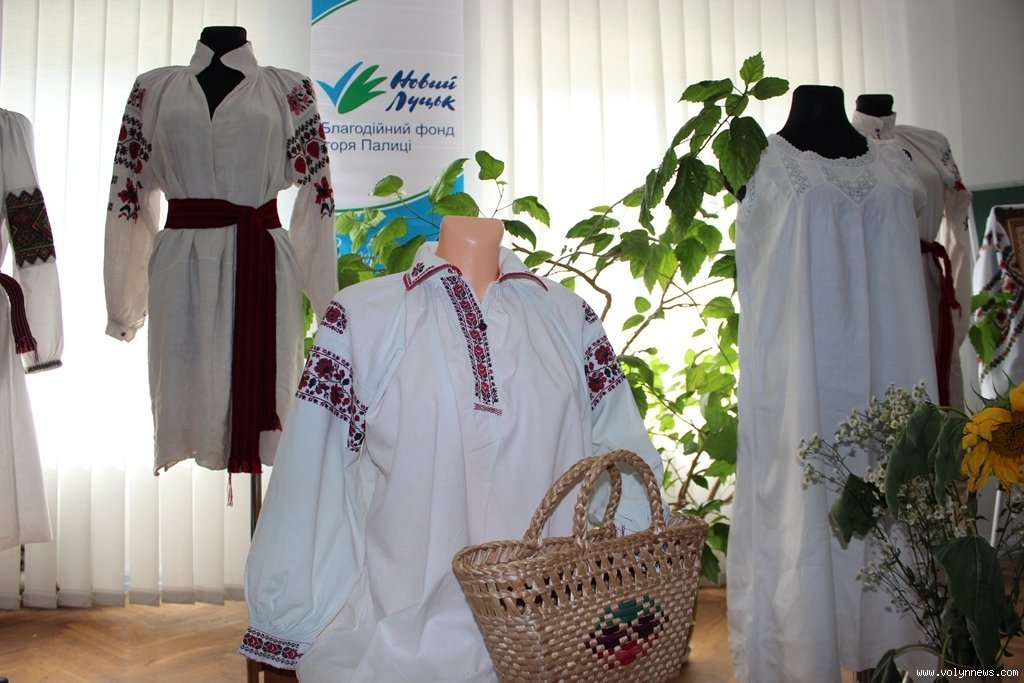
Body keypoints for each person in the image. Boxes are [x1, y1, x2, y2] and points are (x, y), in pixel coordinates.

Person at [241, 215, 664, 681]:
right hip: (404, 631)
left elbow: (622, 449)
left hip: (551, 633)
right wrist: (291, 610)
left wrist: (631, 573)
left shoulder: (569, 317)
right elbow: (313, 472)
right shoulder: (364, 316)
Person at [729, 84, 935, 682]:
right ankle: (803, 659)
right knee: (805, 515)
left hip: (894, 377)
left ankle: (890, 658)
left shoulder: (895, 163)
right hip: (804, 389)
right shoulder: (762, 163)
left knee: (896, 511)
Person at [103, 27, 337, 475]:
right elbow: (129, 193)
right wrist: (123, 305)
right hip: (180, 265)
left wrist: (326, 299)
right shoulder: (153, 90)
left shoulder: (289, 90)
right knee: (186, 385)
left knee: (268, 382)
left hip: (263, 263)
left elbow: (318, 194)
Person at [852, 93, 973, 408]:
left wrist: (959, 303)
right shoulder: (837, 145)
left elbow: (958, 221)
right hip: (868, 282)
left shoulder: (929, 144)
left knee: (935, 386)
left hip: (925, 280)